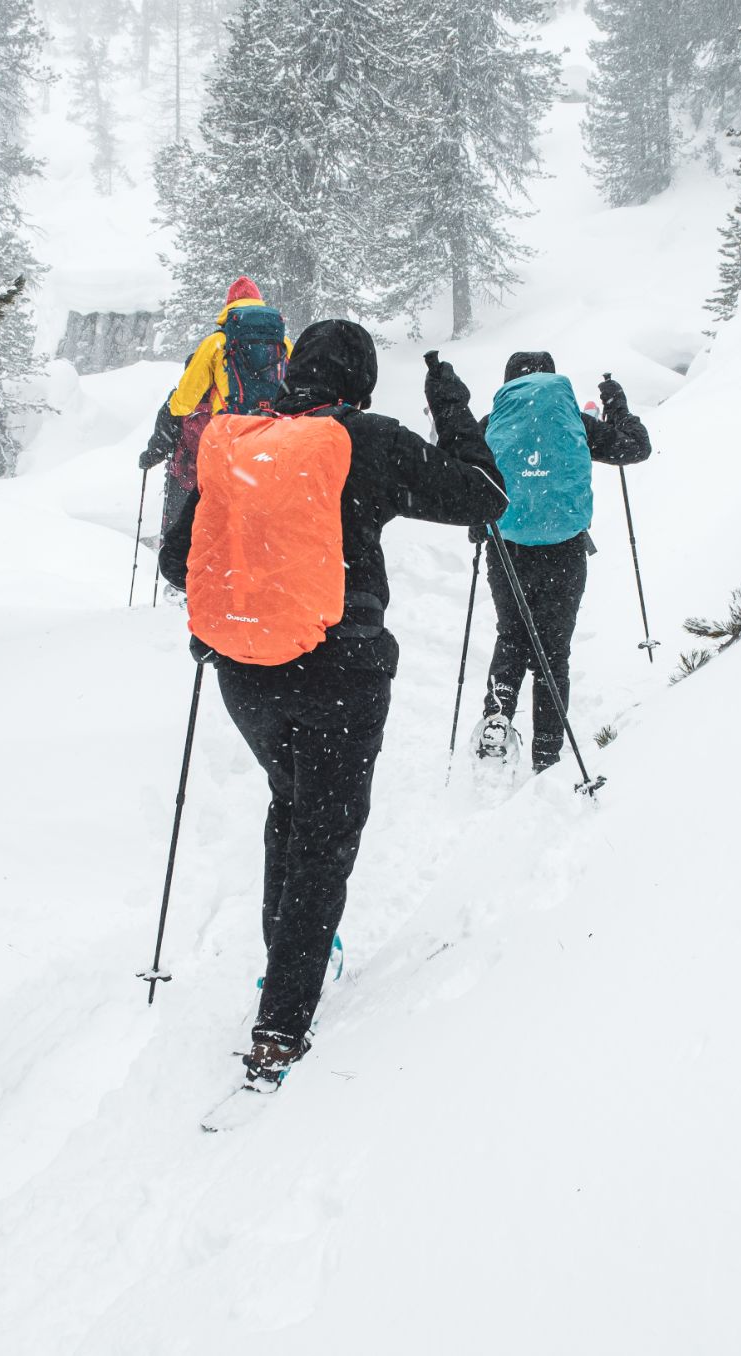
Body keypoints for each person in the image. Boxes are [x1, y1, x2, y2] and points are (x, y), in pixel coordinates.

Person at [159, 321, 506, 1086]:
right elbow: (484, 498)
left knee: (291, 804)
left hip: (246, 672)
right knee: (324, 836)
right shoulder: (365, 439)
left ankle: (286, 958)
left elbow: (178, 562)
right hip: (339, 670)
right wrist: (451, 409)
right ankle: (281, 1027)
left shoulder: (241, 440)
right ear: (362, 381)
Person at [472, 351, 651, 773]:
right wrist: (617, 407)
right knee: (553, 652)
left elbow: (467, 476)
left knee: (512, 635)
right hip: (564, 550)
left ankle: (498, 714)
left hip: (507, 548)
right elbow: (636, 449)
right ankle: (547, 755)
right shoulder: (574, 421)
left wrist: (478, 523)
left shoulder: (493, 423)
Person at [138, 277, 291, 542]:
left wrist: (173, 407)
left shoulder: (218, 342)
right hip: (272, 439)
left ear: (229, 306)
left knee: (216, 511)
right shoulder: (284, 343)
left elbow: (185, 400)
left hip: (229, 437)